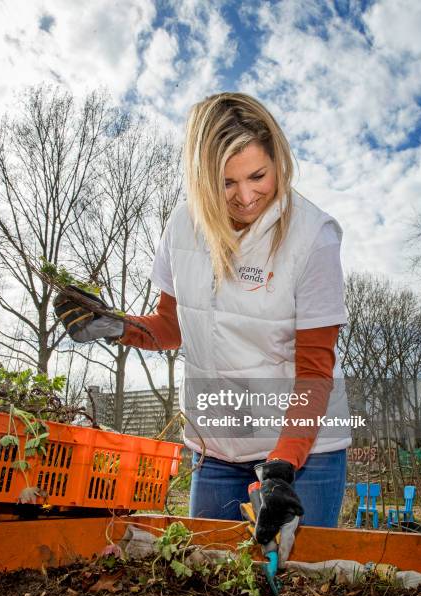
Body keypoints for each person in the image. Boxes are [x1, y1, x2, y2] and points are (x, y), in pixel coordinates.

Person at [54, 92, 351, 545]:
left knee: (293, 588)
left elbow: (314, 373)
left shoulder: (314, 237)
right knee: (206, 578)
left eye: (258, 176)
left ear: (279, 162)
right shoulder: (183, 225)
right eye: (226, 183)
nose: (246, 197)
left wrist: (282, 465)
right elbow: (171, 327)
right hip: (216, 445)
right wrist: (113, 326)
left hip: (303, 451)